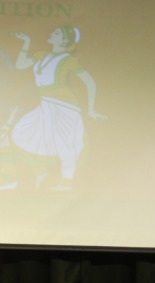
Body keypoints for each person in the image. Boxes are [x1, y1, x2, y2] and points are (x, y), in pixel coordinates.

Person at [10, 25, 107, 190]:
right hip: (46, 104)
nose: (51, 33)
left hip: (65, 106)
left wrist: (91, 109)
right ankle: (42, 174)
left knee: (65, 145)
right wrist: (26, 43)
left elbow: (90, 82)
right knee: (24, 133)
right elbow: (20, 65)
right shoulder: (41, 55)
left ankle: (65, 184)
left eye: (57, 33)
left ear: (64, 41)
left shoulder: (67, 60)